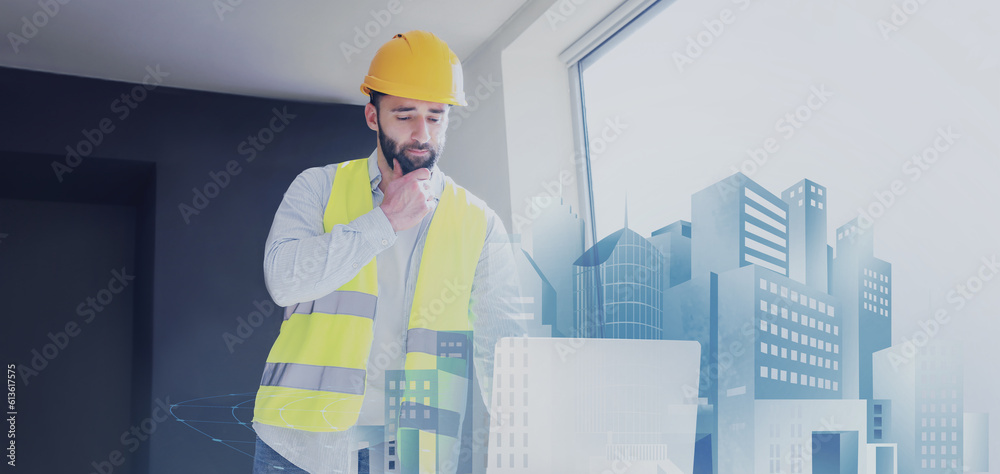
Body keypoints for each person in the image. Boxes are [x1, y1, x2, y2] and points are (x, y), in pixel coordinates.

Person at [250, 30, 528, 473]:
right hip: (300, 444)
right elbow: (284, 282)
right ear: (372, 116)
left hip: (414, 454)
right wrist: (385, 221)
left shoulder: (479, 222)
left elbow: (507, 347)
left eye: (436, 117)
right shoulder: (318, 188)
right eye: (405, 115)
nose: (422, 134)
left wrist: (522, 452)